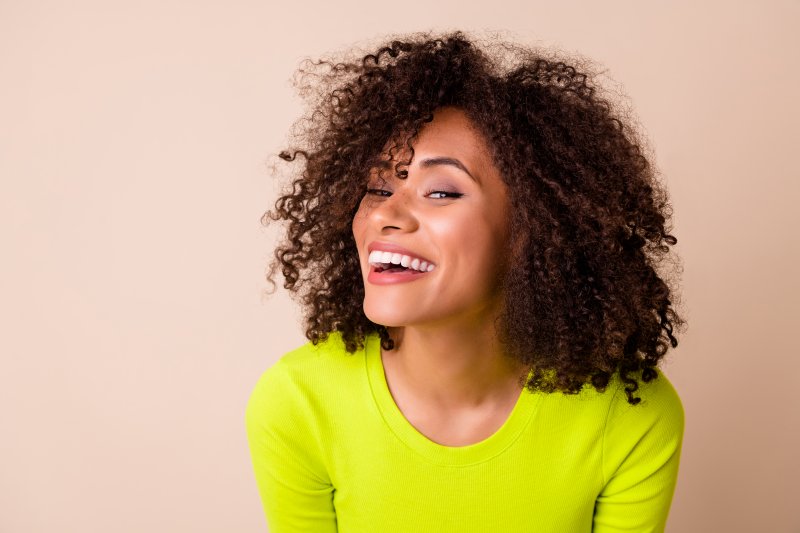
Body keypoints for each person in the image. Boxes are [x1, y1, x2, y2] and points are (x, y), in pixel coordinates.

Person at [246, 30, 686, 532]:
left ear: (532, 230)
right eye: (376, 187)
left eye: (440, 192)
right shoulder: (298, 402)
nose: (385, 214)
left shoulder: (630, 416)